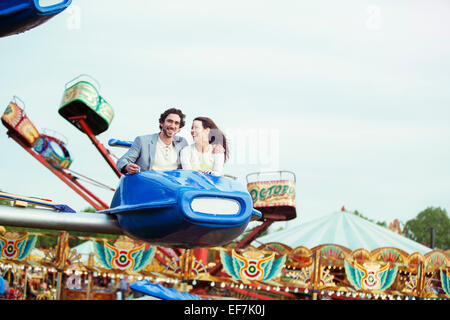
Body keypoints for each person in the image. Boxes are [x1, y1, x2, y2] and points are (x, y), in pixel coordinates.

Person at [117, 108, 188, 174]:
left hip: (172, 185)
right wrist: (127, 166)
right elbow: (122, 161)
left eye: (176, 123)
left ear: (179, 127)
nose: (172, 126)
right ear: (161, 123)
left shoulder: (182, 143)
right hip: (149, 185)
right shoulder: (142, 141)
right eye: (169, 121)